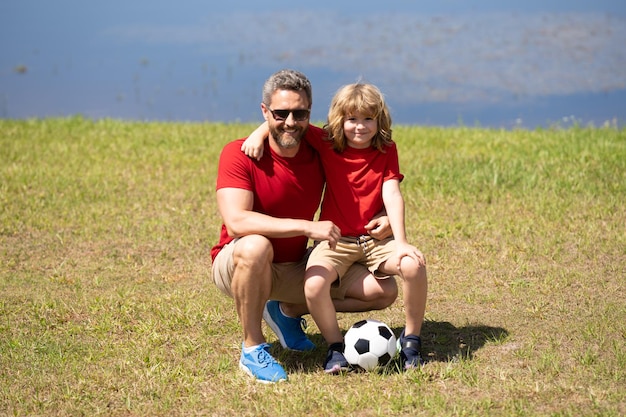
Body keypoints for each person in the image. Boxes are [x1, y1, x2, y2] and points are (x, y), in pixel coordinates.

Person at [210, 69, 398, 384]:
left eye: (300, 113)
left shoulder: (321, 147)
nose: (290, 122)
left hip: (295, 265)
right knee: (257, 245)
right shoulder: (239, 153)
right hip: (239, 261)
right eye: (280, 113)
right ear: (264, 111)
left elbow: (363, 174)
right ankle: (252, 348)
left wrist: (386, 216)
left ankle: (287, 312)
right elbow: (237, 221)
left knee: (383, 291)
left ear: (309, 113)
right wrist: (307, 227)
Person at [243, 82, 428, 374]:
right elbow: (289, 126)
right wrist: (259, 132)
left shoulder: (386, 150)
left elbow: (392, 193)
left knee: (413, 266)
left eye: (368, 119)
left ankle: (411, 341)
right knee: (314, 284)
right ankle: (336, 349)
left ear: (379, 120)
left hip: (375, 240)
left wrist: (402, 242)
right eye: (352, 119)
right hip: (336, 240)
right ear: (339, 120)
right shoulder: (328, 142)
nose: (359, 127)